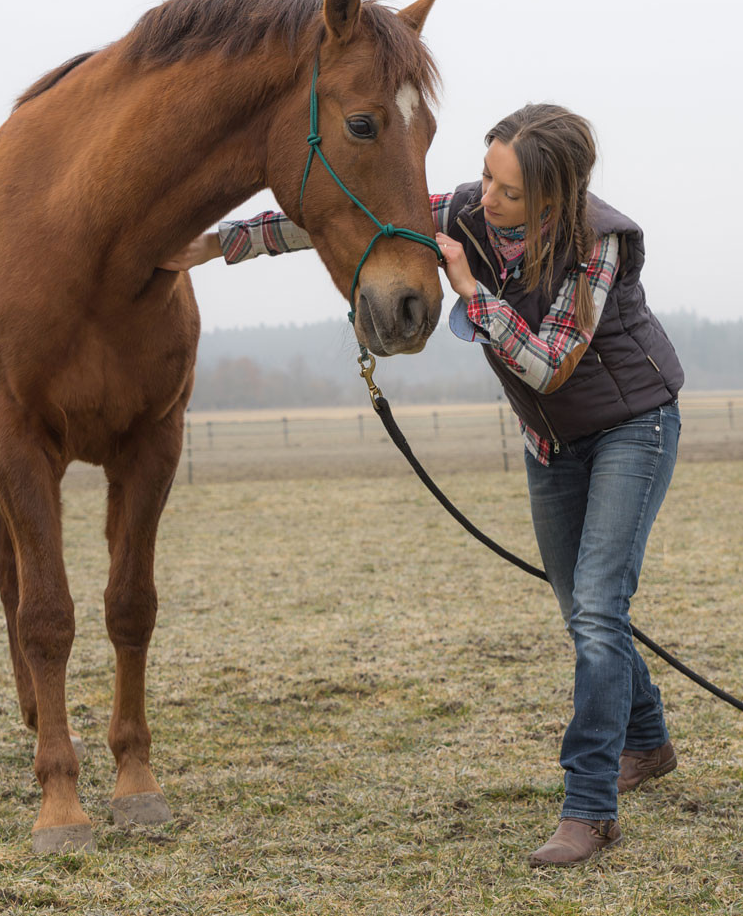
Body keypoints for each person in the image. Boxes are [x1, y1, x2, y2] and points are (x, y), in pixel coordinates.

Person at [163, 104, 685, 868]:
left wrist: (470, 288)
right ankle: (647, 738)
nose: (485, 197)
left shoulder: (595, 244)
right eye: (486, 176)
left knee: (601, 610)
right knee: (583, 610)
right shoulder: (467, 213)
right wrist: (219, 245)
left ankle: (590, 807)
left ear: (554, 198)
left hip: (632, 427)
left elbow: (548, 363)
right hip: (552, 441)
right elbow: (333, 220)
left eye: (508, 191)